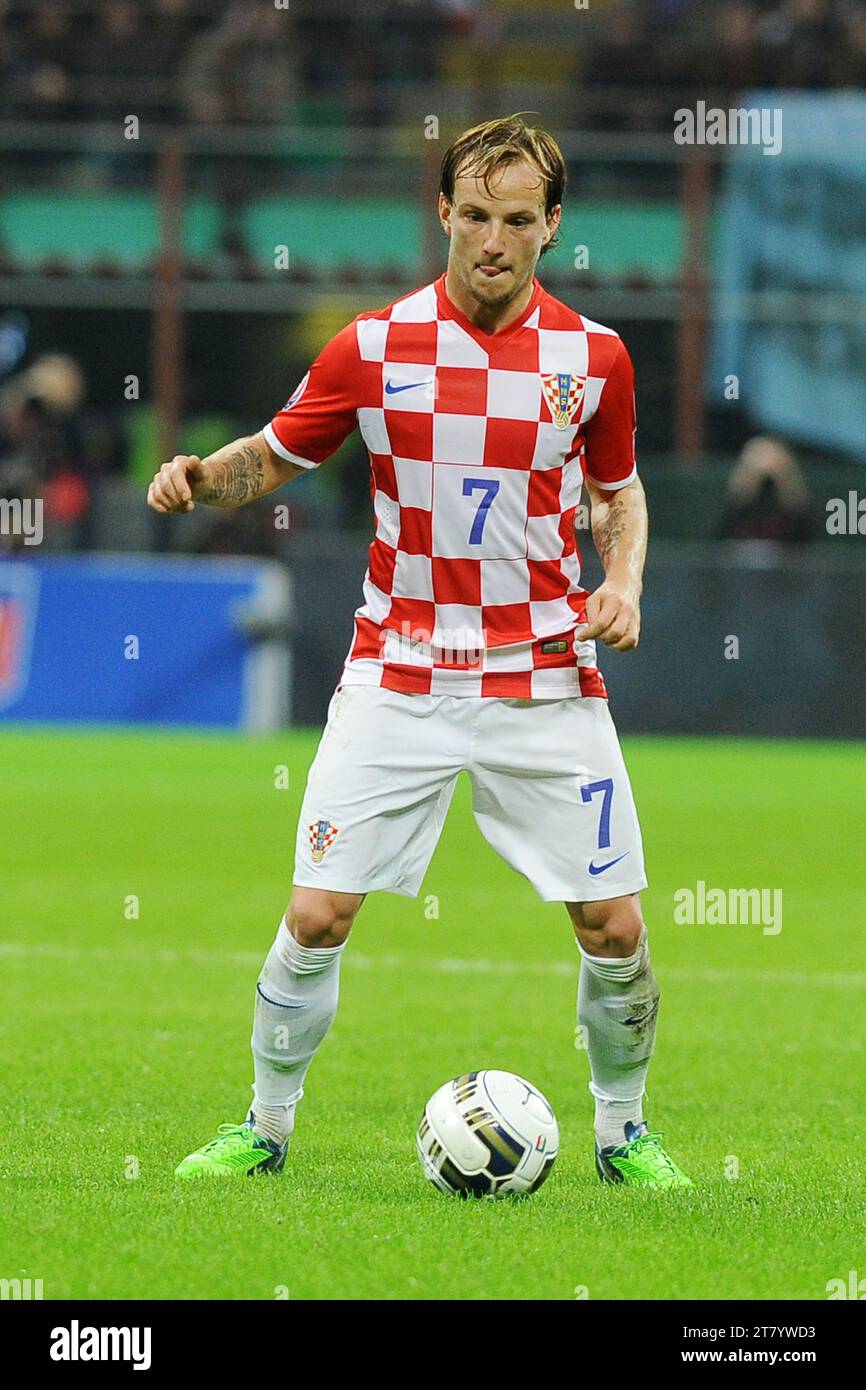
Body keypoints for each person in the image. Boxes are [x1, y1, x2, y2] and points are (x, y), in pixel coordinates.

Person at [148, 114, 691, 1188]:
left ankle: (623, 1133)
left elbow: (618, 496)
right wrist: (203, 477)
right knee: (315, 912)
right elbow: (275, 451)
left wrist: (619, 583)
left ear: (552, 228)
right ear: (442, 212)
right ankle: (264, 1125)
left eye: (517, 220)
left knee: (613, 925)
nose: (492, 239)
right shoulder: (374, 345)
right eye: (475, 215)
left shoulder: (595, 360)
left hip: (541, 676)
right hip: (396, 669)